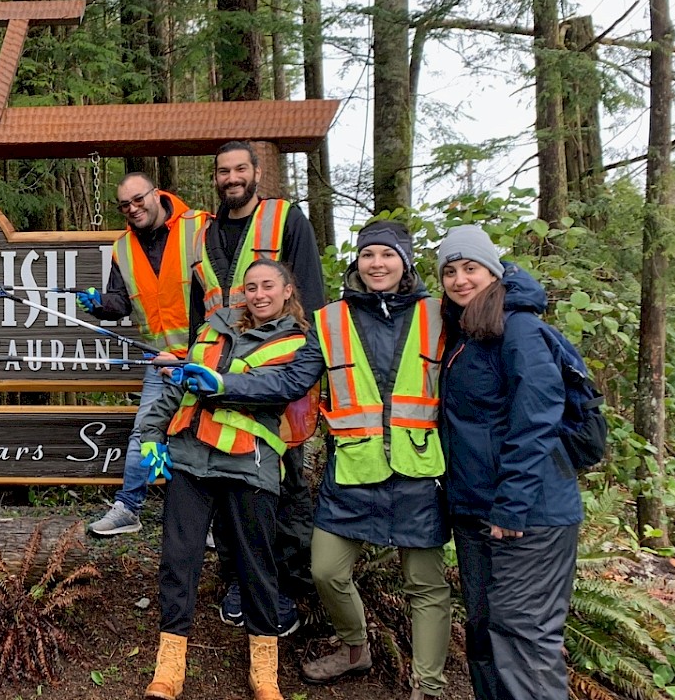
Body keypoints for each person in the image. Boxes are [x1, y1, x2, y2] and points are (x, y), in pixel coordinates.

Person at [198, 221, 451, 700]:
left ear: (405, 261)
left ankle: (430, 686)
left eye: (388, 255)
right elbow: (290, 382)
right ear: (358, 261)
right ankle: (356, 649)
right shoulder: (331, 320)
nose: (377, 263)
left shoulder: (440, 313)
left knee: (425, 585)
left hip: (419, 471)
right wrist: (224, 385)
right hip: (354, 468)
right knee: (326, 571)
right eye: (369, 254)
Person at [138, 259, 310, 700]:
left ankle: (265, 672)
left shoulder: (299, 342)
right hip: (190, 458)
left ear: (287, 290)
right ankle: (170, 664)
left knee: (257, 565)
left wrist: (219, 382)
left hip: (249, 465)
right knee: (178, 561)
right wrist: (151, 436)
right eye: (251, 287)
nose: (259, 294)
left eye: (268, 285)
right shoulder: (212, 329)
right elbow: (177, 387)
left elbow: (281, 387)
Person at [436, 225, 581, 700]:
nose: (460, 279)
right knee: (484, 637)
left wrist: (512, 505)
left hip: (528, 515)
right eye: (450, 271)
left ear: (493, 271)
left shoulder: (518, 327)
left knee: (523, 638)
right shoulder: (464, 333)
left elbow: (536, 417)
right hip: (477, 512)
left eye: (470, 268)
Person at [195, 141, 326, 626]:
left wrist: (306, 372)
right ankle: (236, 580)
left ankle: (286, 587)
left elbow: (309, 293)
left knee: (285, 484)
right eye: (223, 170)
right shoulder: (204, 235)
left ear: (256, 173)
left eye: (240, 169)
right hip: (220, 378)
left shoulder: (285, 220)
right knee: (228, 483)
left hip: (279, 376)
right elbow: (198, 308)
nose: (232, 178)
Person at [81, 173, 208, 538]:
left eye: (139, 199)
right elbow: (120, 301)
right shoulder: (122, 248)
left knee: (207, 434)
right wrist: (99, 305)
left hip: (207, 353)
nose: (133, 209)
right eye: (125, 205)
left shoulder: (198, 228)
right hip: (160, 357)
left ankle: (213, 519)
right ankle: (129, 508)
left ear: (156, 194)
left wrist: (206, 349)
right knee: (145, 430)